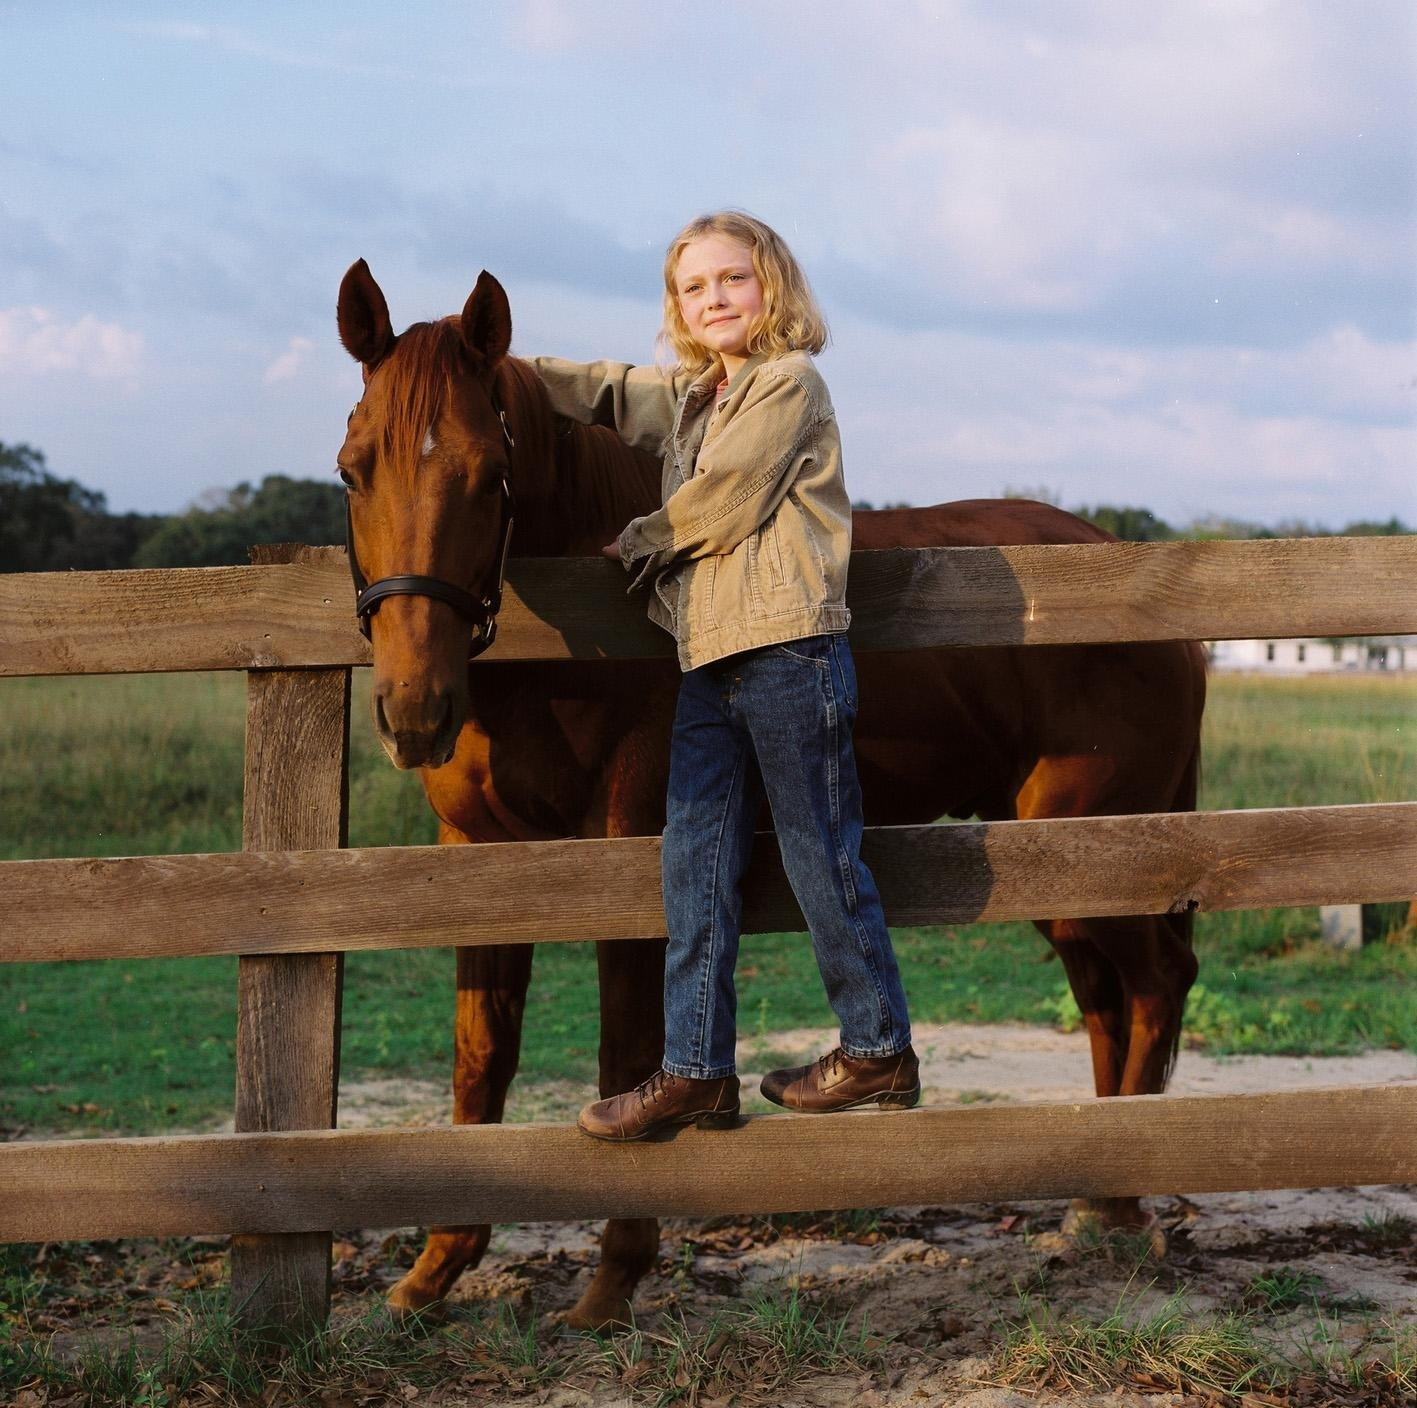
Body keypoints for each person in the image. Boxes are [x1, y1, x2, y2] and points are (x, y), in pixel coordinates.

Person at [529, 211, 917, 1140]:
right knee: (692, 863)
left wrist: (643, 538)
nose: (713, 299)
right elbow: (616, 392)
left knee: (817, 854)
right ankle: (696, 1069)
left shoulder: (787, 384)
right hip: (709, 663)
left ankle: (877, 1048)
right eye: (693, 288)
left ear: (770, 287)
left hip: (787, 653)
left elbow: (729, 493)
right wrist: (503, 373)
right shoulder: (699, 396)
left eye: (731, 280)